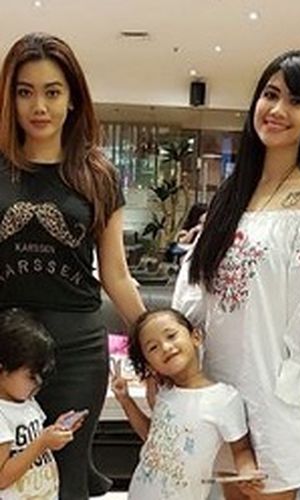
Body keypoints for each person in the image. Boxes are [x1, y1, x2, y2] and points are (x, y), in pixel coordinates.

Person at [173, 49, 300, 499]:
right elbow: (194, 286)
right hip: (214, 388)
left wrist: (295, 388)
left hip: (271, 394)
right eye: (270, 94)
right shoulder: (232, 193)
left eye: (297, 101)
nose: (278, 109)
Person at [0, 33, 145, 498]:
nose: (39, 106)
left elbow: (115, 273)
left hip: (76, 349)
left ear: (73, 98)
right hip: (4, 345)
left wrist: (150, 338)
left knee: (66, 476)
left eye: (52, 91)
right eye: (25, 92)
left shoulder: (97, 175)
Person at [110, 308, 263, 500]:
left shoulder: (224, 399)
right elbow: (152, 438)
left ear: (195, 337)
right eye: (153, 347)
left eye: (171, 336)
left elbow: (241, 449)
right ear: (150, 365)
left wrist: (248, 472)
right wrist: (125, 400)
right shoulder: (164, 394)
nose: (166, 347)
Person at [0, 308, 87, 499]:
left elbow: (31, 446)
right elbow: (2, 478)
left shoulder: (27, 402)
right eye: (31, 376)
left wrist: (54, 434)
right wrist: (41, 443)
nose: (38, 384)